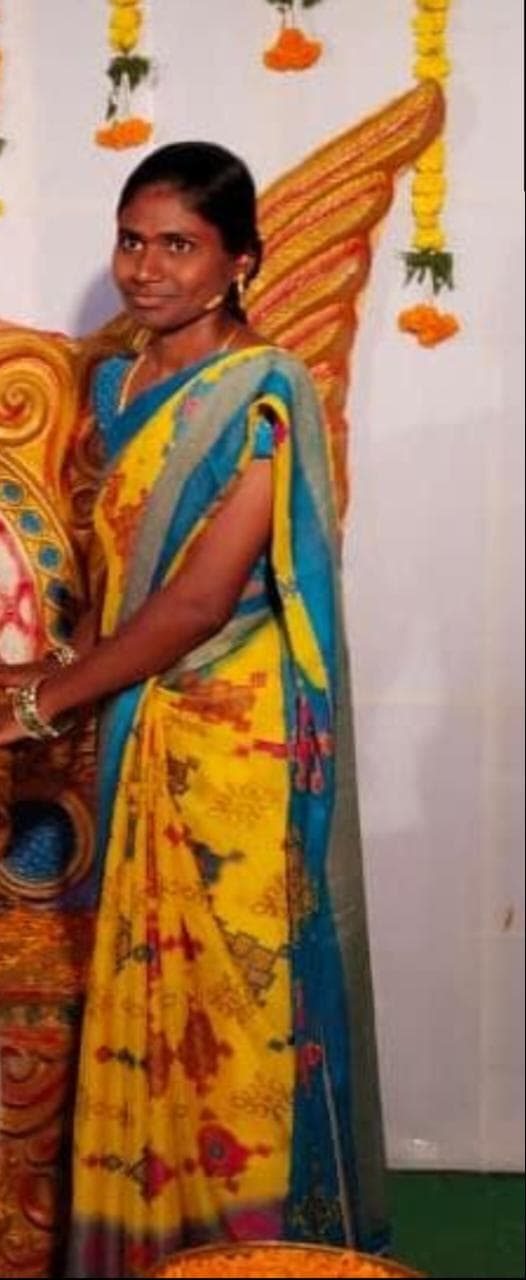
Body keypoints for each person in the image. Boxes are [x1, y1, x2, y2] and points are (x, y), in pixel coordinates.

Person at [0, 142, 387, 1278]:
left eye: (179, 245)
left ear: (239, 262)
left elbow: (199, 598)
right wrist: (54, 673)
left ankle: (246, 1253)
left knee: (231, 1010)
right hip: (137, 718)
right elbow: (115, 579)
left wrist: (41, 704)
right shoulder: (115, 387)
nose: (146, 268)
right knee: (147, 999)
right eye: (133, 240)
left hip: (230, 744)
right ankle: (148, 1249)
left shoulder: (264, 391)